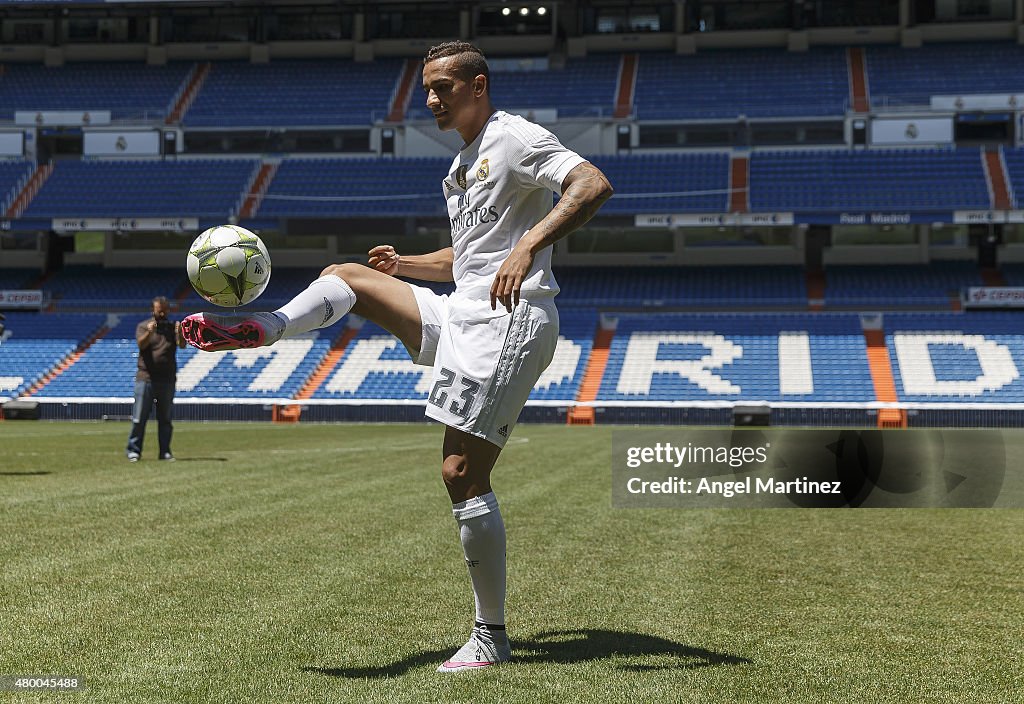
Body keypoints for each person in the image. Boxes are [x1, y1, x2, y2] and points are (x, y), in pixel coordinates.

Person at [180, 41, 613, 671]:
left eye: (443, 88)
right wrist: (407, 266)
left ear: (479, 85)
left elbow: (591, 183)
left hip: (509, 317)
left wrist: (529, 247)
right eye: (427, 90)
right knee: (348, 274)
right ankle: (264, 326)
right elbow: (469, 261)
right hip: (468, 304)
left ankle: (490, 636)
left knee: (462, 473)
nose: (431, 101)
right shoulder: (463, 164)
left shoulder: (514, 137)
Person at [127, 296, 185, 462]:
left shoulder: (173, 327)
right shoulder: (144, 326)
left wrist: (179, 333)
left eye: (164, 309)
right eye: (159, 309)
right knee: (139, 418)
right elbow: (141, 345)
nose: (162, 313)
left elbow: (182, 345)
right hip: (145, 378)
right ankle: (134, 451)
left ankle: (165, 451)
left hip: (167, 379)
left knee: (165, 419)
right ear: (153, 310)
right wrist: (149, 332)